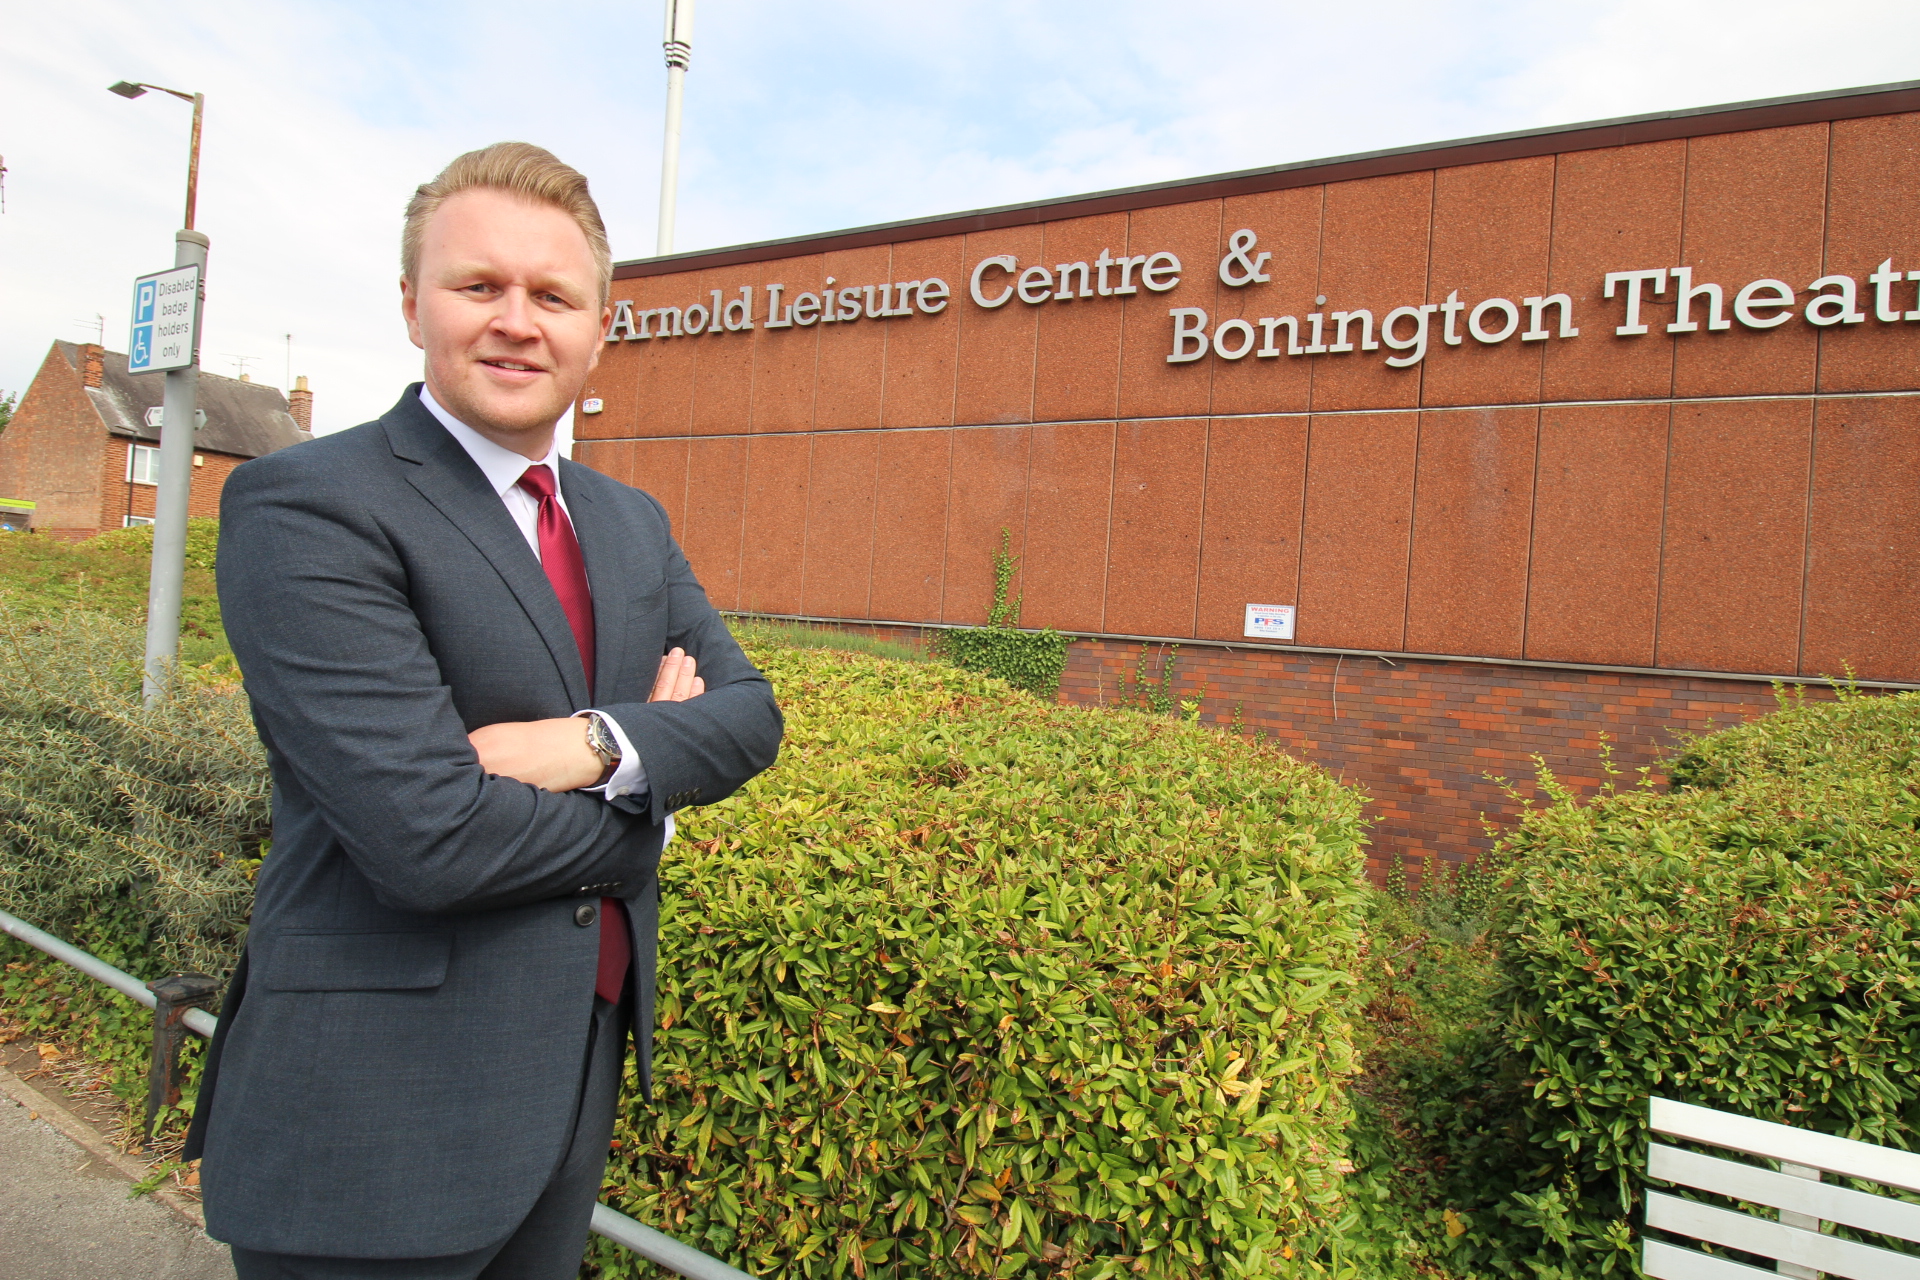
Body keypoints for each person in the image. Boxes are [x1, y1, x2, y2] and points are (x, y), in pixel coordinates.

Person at [184, 142, 783, 1279]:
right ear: (413, 304)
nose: (518, 320)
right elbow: (428, 835)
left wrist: (591, 742)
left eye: (553, 295)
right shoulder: (307, 505)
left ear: (600, 327)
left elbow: (749, 716)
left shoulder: (629, 523)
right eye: (479, 286)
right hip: (370, 1123)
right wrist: (648, 812)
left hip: (564, 1089)